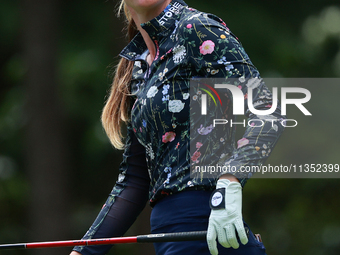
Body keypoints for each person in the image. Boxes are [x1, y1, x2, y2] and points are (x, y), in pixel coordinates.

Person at [70, 0, 285, 254]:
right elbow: (134, 181)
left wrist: (231, 178)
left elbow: (270, 111)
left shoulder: (196, 28)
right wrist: (83, 251)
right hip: (169, 238)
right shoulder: (141, 64)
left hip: (211, 230)